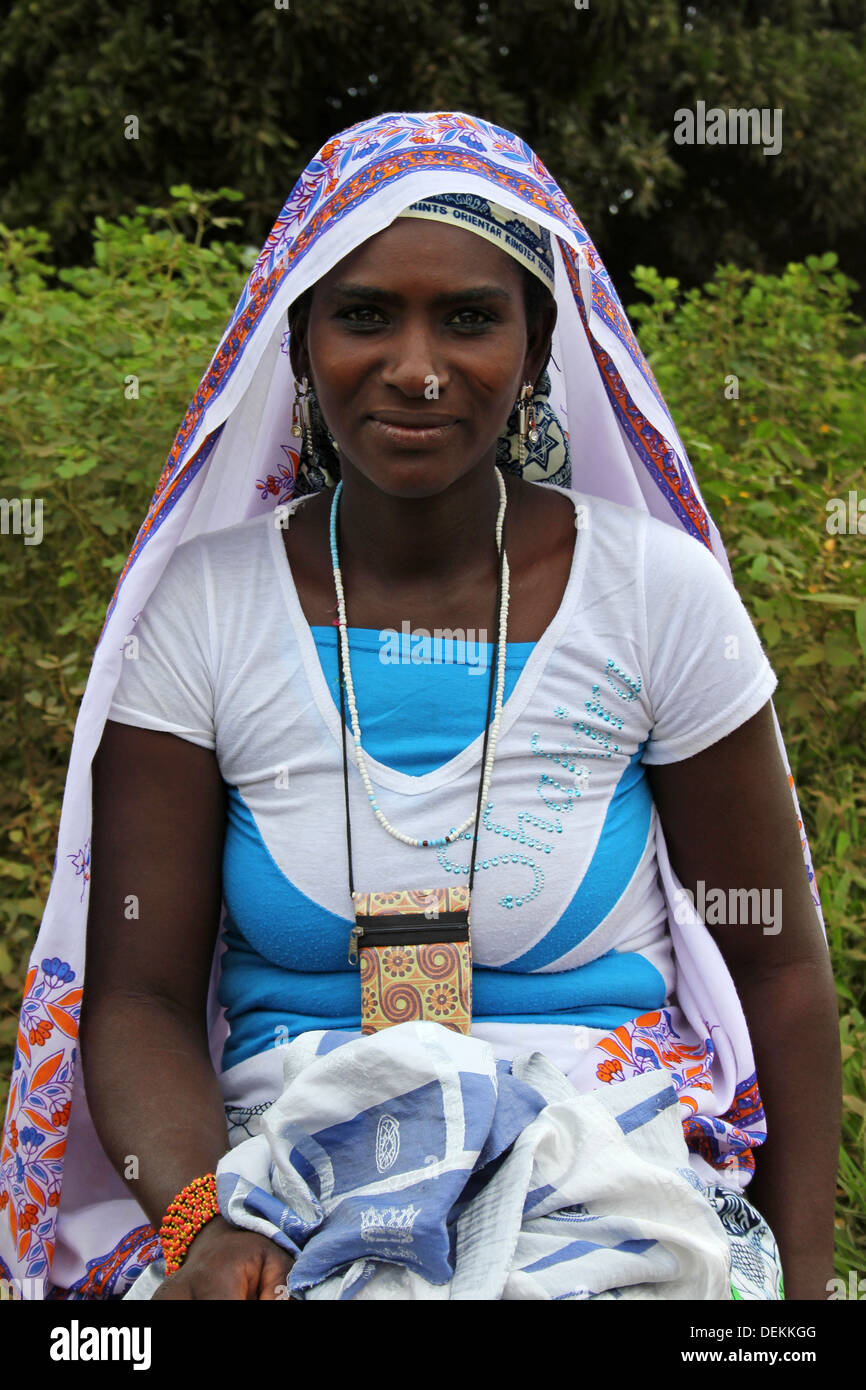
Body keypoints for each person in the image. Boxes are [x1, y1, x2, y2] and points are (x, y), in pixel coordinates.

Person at [0, 111, 839, 1302]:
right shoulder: (209, 607)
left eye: (467, 316)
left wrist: (796, 1303)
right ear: (298, 343)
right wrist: (204, 1223)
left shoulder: (650, 595)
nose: (416, 365)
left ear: (537, 345)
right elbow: (134, 992)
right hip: (270, 1172)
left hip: (604, 1161)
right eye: (361, 314)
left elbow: (779, 966)